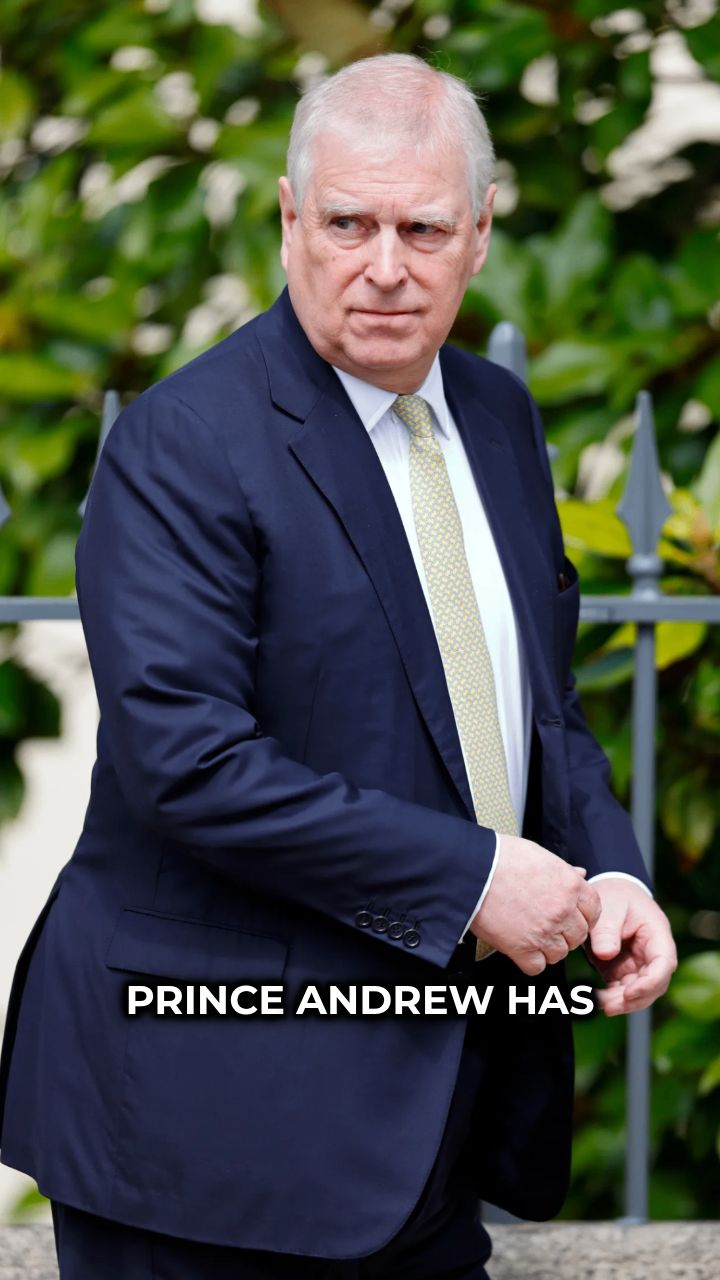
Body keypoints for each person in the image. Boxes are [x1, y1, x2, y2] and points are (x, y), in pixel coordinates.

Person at [0, 53, 676, 1279]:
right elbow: (189, 763)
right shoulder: (185, 442)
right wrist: (479, 877)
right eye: (349, 223)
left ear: (480, 232)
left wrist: (612, 870)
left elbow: (539, 708)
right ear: (290, 220)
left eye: (423, 229)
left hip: (426, 1122)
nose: (384, 266)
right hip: (205, 1138)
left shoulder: (497, 417)